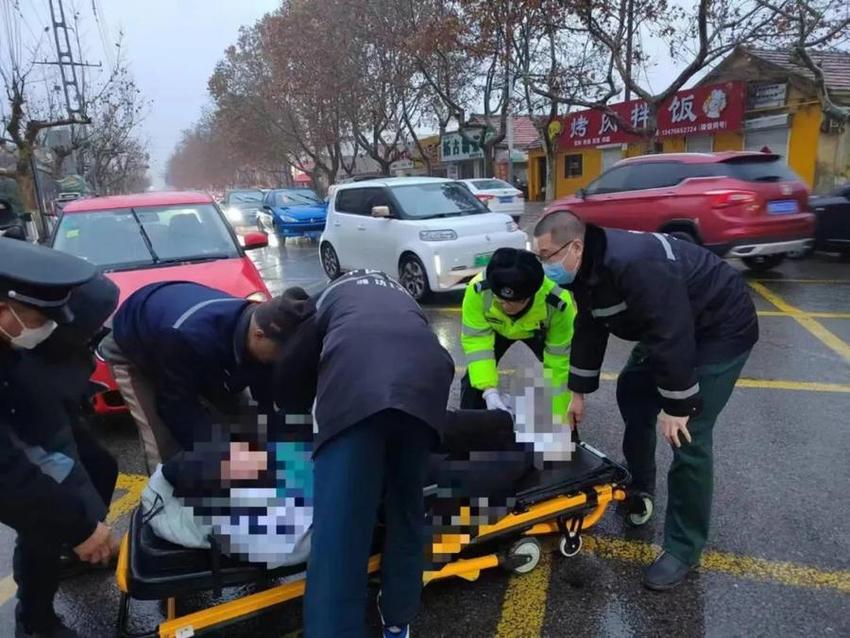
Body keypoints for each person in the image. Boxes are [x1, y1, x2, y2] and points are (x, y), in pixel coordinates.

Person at [532, 211, 758, 590]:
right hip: (672, 329)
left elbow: (672, 332)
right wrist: (577, 392)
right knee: (632, 390)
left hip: (719, 330)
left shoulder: (635, 264)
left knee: (689, 434)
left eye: (546, 256)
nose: (544, 266)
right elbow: (589, 326)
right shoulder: (584, 269)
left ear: (575, 246)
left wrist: (677, 405)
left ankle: (683, 548)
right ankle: (640, 483)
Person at [274, 269, 455, 638]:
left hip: (357, 390)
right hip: (427, 383)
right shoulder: (402, 297)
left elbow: (291, 371)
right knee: (406, 509)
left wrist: (297, 426)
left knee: (341, 529)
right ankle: (397, 619)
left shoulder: (326, 298)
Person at [0, 237, 121, 638]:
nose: (50, 329)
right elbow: (12, 475)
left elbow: (50, 432)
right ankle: (33, 623)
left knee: (94, 467)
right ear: (3, 312)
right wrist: (78, 526)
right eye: (40, 320)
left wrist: (80, 523)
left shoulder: (14, 342)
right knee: (40, 516)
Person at [103, 282, 303, 472]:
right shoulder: (188, 338)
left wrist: (280, 446)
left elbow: (264, 399)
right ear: (259, 335)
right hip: (134, 340)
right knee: (163, 441)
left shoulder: (255, 329)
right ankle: (162, 500)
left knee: (241, 415)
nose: (283, 357)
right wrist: (225, 458)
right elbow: (177, 407)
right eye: (281, 351)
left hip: (181, 336)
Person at [460, 247, 575, 418]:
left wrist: (560, 418)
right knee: (473, 382)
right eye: (501, 300)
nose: (507, 307)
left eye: (517, 302)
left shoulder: (558, 304)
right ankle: (468, 428)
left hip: (537, 330)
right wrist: (489, 391)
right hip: (496, 329)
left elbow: (560, 364)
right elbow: (477, 342)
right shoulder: (478, 291)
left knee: (564, 388)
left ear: (533, 294)